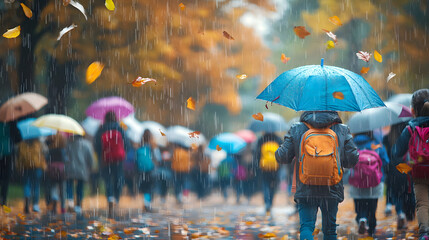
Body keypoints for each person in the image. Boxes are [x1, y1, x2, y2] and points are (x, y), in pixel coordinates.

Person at [276, 111, 359, 240]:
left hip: (306, 186)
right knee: (330, 230)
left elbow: (282, 157)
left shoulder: (297, 128)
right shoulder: (341, 129)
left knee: (306, 227)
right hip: (332, 186)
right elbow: (352, 159)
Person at [393, 89, 429, 240]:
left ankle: (425, 232)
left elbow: (396, 152)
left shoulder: (410, 128)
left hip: (419, 172)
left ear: (413, 110)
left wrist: (406, 167)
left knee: (422, 204)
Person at [349, 132, 389, 236]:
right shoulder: (377, 144)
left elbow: (346, 161)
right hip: (374, 181)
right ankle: (371, 227)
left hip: (357, 181)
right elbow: (385, 162)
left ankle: (361, 218)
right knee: (372, 205)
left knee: (359, 203)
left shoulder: (352, 144)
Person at [94, 111, 130, 218]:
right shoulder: (120, 128)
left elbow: (96, 145)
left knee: (108, 178)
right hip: (118, 158)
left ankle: (110, 197)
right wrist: (123, 152)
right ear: (115, 118)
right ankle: (117, 199)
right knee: (118, 178)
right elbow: (127, 144)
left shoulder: (101, 129)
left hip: (106, 159)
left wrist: (102, 154)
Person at [383, 122, 415, 228]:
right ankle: (408, 214)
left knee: (397, 194)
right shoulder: (408, 134)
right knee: (407, 191)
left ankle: (400, 213)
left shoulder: (388, 138)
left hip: (393, 168)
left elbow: (386, 154)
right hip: (406, 166)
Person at [65, 134, 95, 213]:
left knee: (69, 184)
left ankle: (70, 201)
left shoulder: (69, 144)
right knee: (80, 187)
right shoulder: (87, 144)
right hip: (82, 169)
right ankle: (78, 205)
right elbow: (90, 157)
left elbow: (66, 156)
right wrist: (91, 166)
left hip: (70, 168)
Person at [16, 138, 47, 213]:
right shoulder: (38, 143)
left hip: (26, 167)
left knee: (27, 184)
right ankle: (35, 205)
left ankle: (27, 197)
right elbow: (43, 154)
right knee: (36, 185)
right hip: (37, 167)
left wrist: (19, 167)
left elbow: (20, 157)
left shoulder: (22, 144)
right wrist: (44, 166)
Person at [255, 132, 283, 214]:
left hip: (264, 167)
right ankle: (270, 203)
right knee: (273, 186)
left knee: (265, 185)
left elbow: (257, 154)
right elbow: (282, 153)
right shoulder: (278, 139)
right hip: (275, 168)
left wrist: (258, 165)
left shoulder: (261, 139)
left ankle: (267, 203)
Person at [45, 133, 68, 214]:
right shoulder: (63, 149)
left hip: (52, 169)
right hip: (61, 170)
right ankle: (63, 207)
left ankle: (54, 198)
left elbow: (47, 159)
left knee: (53, 186)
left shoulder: (50, 149)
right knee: (62, 189)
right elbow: (66, 159)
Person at [0, 120, 21, 206]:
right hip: (7, 153)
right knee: (6, 178)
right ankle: (3, 200)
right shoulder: (11, 124)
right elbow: (18, 139)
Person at [136, 130, 157, 212]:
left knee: (144, 187)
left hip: (141, 170)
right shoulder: (152, 147)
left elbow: (136, 159)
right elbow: (157, 158)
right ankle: (148, 204)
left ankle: (146, 203)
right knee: (150, 187)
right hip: (150, 170)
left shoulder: (139, 147)